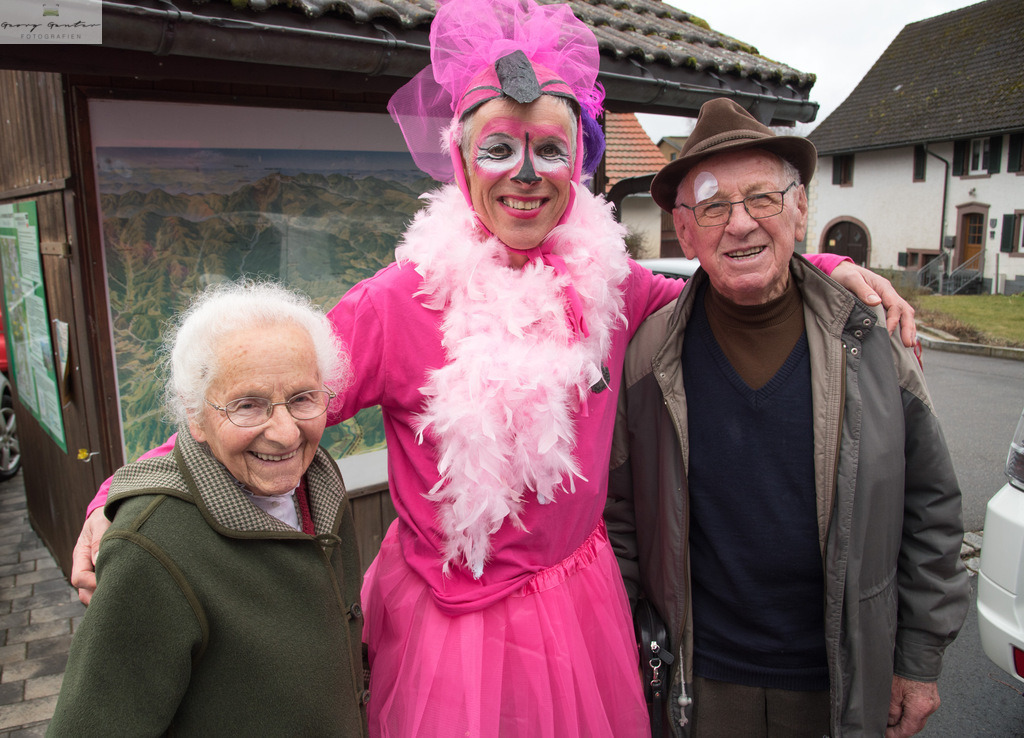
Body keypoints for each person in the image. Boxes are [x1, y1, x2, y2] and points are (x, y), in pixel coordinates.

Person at [68, 1, 917, 734]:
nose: (524, 176)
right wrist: (134, 488)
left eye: (549, 151)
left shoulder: (612, 285)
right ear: (461, 159)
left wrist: (829, 272)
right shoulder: (400, 300)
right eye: (498, 148)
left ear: (579, 164)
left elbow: (716, 283)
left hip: (579, 611)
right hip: (448, 627)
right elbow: (265, 398)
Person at [606, 97, 970, 738]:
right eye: (713, 207)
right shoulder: (649, 355)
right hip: (701, 686)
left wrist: (919, 660)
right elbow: (623, 526)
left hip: (841, 681)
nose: (740, 224)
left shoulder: (874, 344)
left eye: (764, 199)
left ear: (801, 209)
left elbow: (931, 510)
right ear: (685, 233)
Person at [48, 281, 366, 736]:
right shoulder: (151, 548)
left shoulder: (319, 482)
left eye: (302, 398)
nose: (286, 433)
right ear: (195, 415)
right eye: (248, 405)